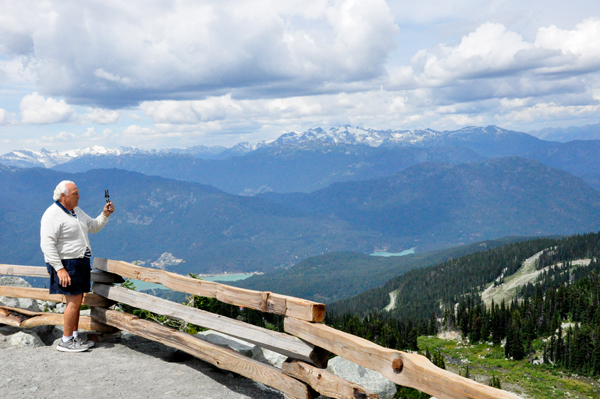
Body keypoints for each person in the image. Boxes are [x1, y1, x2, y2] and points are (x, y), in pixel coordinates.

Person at [40, 180, 115, 352]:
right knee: (73, 302)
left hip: (79, 261)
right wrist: (59, 269)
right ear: (63, 196)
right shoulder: (52, 215)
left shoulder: (76, 211)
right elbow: (47, 245)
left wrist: (105, 215)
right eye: (75, 194)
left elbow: (93, 227)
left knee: (77, 301)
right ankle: (65, 341)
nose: (79, 196)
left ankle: (73, 337)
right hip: (67, 263)